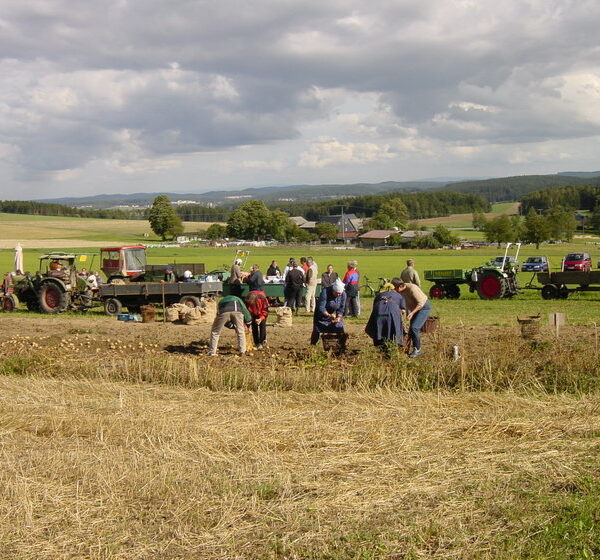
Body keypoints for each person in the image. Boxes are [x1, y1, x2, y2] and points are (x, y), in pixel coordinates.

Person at [365, 277, 406, 352]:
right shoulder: (399, 296)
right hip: (392, 313)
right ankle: (392, 347)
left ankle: (380, 346)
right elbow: (402, 310)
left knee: (379, 329)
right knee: (394, 329)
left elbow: (374, 307)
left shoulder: (379, 295)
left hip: (379, 313)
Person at [394, 280, 432, 358]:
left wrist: (412, 313)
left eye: (395, 288)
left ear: (401, 286)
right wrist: (405, 311)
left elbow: (420, 303)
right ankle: (406, 349)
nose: (394, 290)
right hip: (414, 308)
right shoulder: (401, 291)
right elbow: (406, 302)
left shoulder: (412, 288)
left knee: (415, 328)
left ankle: (417, 349)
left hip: (423, 308)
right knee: (411, 330)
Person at [310, 278, 347, 345]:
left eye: (340, 294)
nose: (338, 295)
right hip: (322, 315)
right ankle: (313, 345)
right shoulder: (325, 292)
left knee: (340, 330)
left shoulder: (343, 294)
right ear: (333, 290)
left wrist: (338, 317)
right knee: (317, 330)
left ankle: (340, 346)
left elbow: (341, 308)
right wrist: (329, 315)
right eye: (337, 293)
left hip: (334, 313)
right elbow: (321, 307)